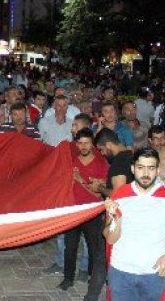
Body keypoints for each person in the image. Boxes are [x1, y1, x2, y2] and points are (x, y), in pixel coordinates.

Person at [103, 148, 165, 301]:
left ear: (158, 170)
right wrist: (116, 219)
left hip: (153, 275)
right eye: (141, 167)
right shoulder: (119, 197)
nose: (146, 173)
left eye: (151, 168)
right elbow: (109, 239)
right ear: (133, 169)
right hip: (121, 272)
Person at [58, 128, 107, 300]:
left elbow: (100, 195)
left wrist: (80, 181)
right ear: (76, 144)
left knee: (95, 249)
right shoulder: (71, 161)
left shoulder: (101, 164)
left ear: (92, 144)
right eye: (80, 143)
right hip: (73, 212)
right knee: (69, 247)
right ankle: (68, 278)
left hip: (93, 213)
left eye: (87, 142)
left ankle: (94, 280)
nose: (84, 146)